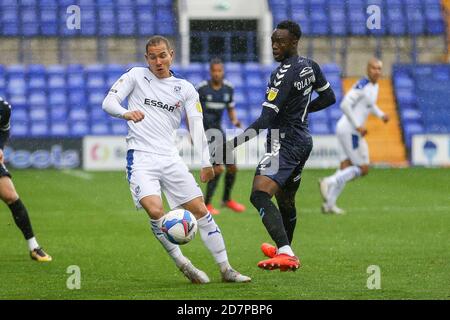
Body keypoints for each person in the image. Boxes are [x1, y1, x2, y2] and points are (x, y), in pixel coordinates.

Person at [102, 35, 250, 284]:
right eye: (152, 57)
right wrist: (126, 113)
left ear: (171, 54)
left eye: (162, 55)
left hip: (171, 158)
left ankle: (226, 269)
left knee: (201, 211)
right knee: (155, 209)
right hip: (141, 157)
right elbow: (108, 102)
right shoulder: (136, 75)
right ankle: (185, 265)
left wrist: (205, 161)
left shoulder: (185, 88)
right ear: (146, 58)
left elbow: (197, 125)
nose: (158, 61)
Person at [214, 20, 336, 271]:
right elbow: (329, 97)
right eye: (272, 41)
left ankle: (286, 252)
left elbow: (266, 119)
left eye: (280, 41)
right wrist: (302, 112)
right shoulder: (310, 66)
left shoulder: (282, 73)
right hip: (303, 140)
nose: (275, 46)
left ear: (294, 42)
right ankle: (285, 249)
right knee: (286, 200)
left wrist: (231, 144)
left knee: (259, 194)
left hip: (284, 140)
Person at [319, 58, 389, 214]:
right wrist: (357, 125)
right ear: (367, 69)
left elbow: (370, 105)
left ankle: (329, 204)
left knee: (345, 167)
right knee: (363, 168)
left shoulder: (374, 86)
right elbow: (345, 104)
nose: (376, 71)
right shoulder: (362, 85)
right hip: (350, 129)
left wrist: (381, 115)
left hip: (345, 128)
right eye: (373, 68)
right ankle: (329, 181)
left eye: (379, 68)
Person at [0, 97, 52, 262]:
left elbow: (4, 130)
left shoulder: (3, 108)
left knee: (10, 195)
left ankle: (34, 247)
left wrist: (0, 147)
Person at [196, 58, 246, 215]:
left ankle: (226, 200)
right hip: (206, 133)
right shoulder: (202, 89)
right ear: (210, 72)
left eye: (219, 71)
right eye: (214, 71)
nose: (217, 73)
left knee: (232, 167)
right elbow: (191, 111)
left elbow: (231, 108)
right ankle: (207, 204)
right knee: (217, 168)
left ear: (223, 72)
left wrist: (235, 120)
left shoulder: (228, 89)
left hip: (219, 132)